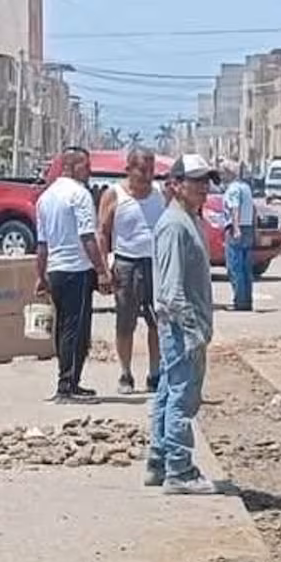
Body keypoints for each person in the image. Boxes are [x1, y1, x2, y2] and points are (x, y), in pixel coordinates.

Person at [147, 154, 222, 495]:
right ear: (175, 185)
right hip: (180, 326)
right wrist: (193, 330)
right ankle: (180, 469)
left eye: (206, 181)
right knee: (182, 396)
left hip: (181, 325)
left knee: (168, 391)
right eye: (196, 182)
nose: (204, 188)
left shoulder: (188, 219)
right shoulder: (175, 225)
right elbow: (171, 291)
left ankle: (159, 460)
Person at [34, 146, 113, 402]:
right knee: (74, 329)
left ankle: (70, 382)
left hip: (56, 270)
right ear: (71, 166)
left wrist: (41, 275)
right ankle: (66, 385)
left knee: (66, 328)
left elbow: (42, 244)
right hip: (76, 270)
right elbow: (87, 237)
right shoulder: (79, 194)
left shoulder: (46, 198)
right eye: (86, 166)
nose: (89, 171)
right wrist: (101, 270)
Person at [99, 147, 166, 394]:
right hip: (126, 265)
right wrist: (104, 269)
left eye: (151, 170)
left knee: (157, 322)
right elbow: (102, 232)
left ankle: (155, 372)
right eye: (142, 170)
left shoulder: (160, 194)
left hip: (155, 265)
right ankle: (126, 373)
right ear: (128, 169)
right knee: (125, 323)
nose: (148, 175)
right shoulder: (114, 195)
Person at [220, 159, 256, 312]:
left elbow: (235, 209)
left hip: (237, 228)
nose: (222, 176)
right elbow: (253, 210)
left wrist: (236, 228)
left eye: (223, 173)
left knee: (235, 267)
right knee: (246, 267)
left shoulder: (234, 189)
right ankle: (247, 300)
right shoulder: (246, 188)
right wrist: (255, 228)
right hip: (248, 228)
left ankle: (240, 302)